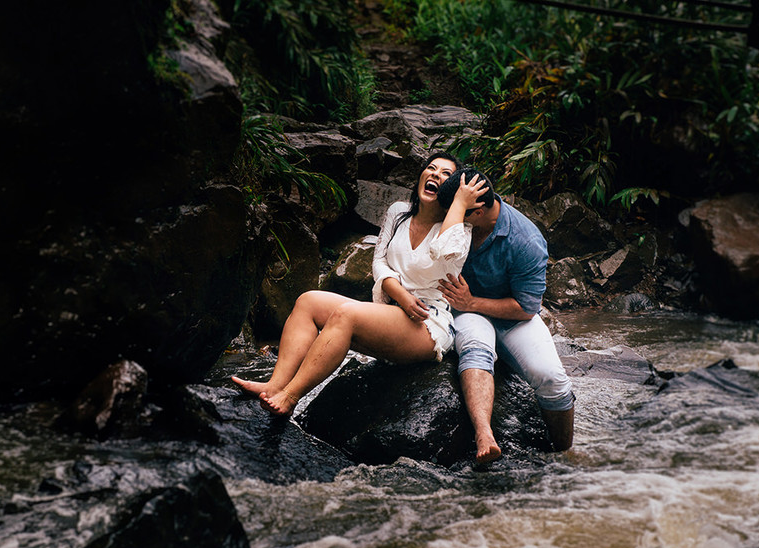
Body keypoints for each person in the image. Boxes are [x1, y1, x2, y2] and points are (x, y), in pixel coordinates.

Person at [232, 152, 488, 416]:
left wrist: (458, 204)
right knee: (308, 301)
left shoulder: (459, 232)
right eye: (431, 168)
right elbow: (378, 262)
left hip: (427, 322)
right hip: (393, 309)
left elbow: (442, 251)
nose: (435, 174)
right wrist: (398, 293)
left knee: (346, 314)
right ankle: (275, 385)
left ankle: (290, 397)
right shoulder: (398, 212)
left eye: (446, 174)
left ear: (454, 189)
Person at [437, 168, 574, 463]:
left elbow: (527, 309)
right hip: (464, 311)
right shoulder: (457, 219)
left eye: (458, 211)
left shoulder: (526, 240)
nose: (450, 219)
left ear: (475, 211)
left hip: (510, 315)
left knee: (552, 378)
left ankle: (565, 456)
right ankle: (484, 434)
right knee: (477, 350)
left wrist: (472, 301)